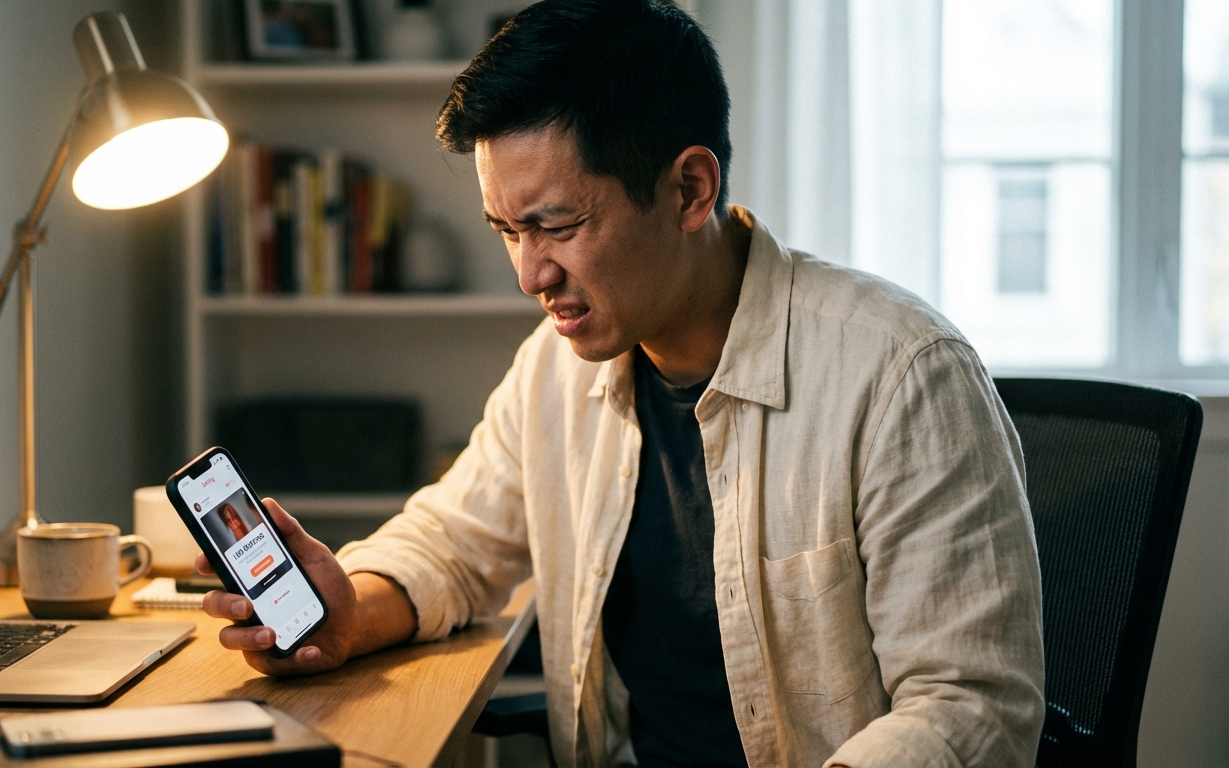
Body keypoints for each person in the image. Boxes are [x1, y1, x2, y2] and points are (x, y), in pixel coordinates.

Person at [199, 1, 1045, 765]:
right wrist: (353, 608)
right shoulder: (554, 369)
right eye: (505, 230)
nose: (531, 274)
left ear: (688, 188)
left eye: (556, 225)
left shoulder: (900, 375)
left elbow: (972, 708)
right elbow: (454, 543)